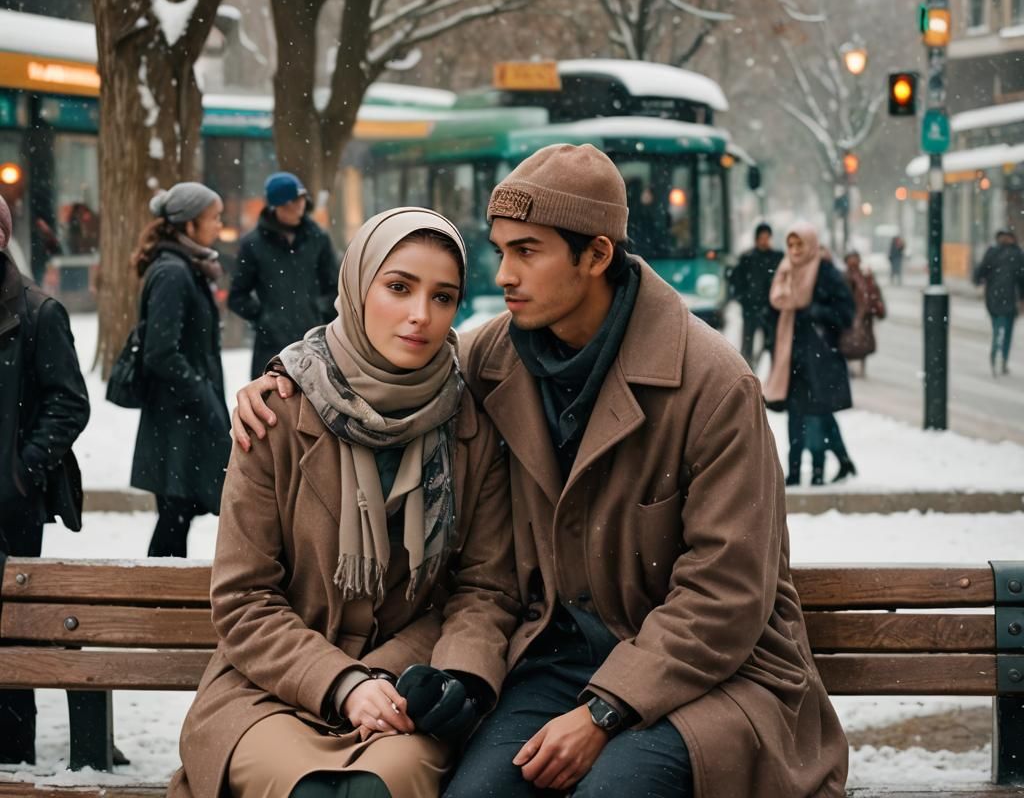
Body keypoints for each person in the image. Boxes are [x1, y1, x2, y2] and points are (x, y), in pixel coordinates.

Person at [234, 146, 849, 798]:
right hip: (551, 664)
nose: (503, 274)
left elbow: (726, 597)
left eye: (527, 251)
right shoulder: (491, 357)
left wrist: (603, 711)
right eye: (500, 250)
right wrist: (284, 381)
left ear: (596, 257)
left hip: (713, 675)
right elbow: (375, 362)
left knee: (612, 791)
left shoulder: (712, 384)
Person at [168, 208, 519, 798]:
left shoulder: (470, 425)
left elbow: (485, 588)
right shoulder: (278, 412)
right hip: (271, 689)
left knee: (375, 790)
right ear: (357, 286)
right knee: (306, 790)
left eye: (443, 297)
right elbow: (243, 598)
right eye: (399, 287)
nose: (419, 315)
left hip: (405, 689)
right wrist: (342, 682)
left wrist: (421, 677)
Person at [0, 194, 90, 765]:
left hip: (10, 512)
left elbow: (68, 402)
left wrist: (20, 473)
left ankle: (12, 763)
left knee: (12, 653)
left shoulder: (37, 312)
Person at [130, 182, 231, 558]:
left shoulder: (186, 267)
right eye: (214, 218)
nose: (220, 226)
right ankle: (157, 603)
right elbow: (160, 352)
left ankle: (160, 602)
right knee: (175, 515)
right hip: (177, 420)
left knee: (179, 514)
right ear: (189, 225)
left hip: (183, 418)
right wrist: (202, 394)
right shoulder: (173, 273)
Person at [765, 224, 855, 487]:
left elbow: (845, 313)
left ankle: (817, 470)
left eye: (799, 245)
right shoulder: (784, 271)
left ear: (811, 245)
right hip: (791, 358)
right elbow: (772, 310)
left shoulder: (825, 272)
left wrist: (816, 311)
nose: (794, 251)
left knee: (816, 414)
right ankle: (794, 470)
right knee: (796, 416)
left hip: (820, 357)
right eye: (790, 245)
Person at [229, 172, 339, 379]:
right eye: (291, 202)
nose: (299, 207)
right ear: (276, 206)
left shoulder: (318, 238)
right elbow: (237, 296)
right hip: (270, 350)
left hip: (314, 346)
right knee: (271, 407)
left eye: (301, 200)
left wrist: (318, 312)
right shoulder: (252, 244)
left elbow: (335, 288)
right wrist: (266, 318)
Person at [728, 221, 784, 369]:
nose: (765, 241)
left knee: (773, 345)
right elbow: (735, 281)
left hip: (771, 310)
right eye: (762, 238)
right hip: (750, 308)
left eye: (767, 237)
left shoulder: (777, 257)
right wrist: (743, 299)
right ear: (756, 239)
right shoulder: (747, 258)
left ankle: (774, 376)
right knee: (748, 345)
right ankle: (747, 372)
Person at [973, 227, 1024, 376]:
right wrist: (1021, 299)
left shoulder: (993, 252)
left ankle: (996, 354)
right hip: (1009, 298)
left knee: (998, 328)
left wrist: (978, 282)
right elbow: (1022, 279)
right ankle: (1001, 357)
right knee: (1006, 330)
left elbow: (980, 271)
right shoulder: (1017, 253)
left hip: (993, 297)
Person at [840, 251, 885, 378]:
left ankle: (860, 367)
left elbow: (874, 293)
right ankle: (850, 367)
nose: (854, 262)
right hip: (852, 314)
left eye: (856, 259)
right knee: (849, 342)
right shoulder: (845, 276)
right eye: (851, 259)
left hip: (864, 314)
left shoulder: (865, 275)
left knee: (861, 343)